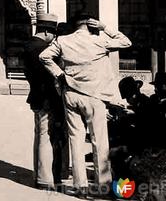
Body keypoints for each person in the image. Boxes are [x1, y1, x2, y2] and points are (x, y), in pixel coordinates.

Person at [40, 15, 131, 195]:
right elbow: (126, 42)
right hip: (95, 95)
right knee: (99, 140)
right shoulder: (99, 40)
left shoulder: (63, 40)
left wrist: (59, 74)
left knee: (76, 139)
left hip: (71, 94)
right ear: (91, 25)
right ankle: (103, 185)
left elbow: (44, 57)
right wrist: (104, 26)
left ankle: (80, 185)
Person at [23, 13, 68, 189]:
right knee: (46, 136)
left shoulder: (28, 45)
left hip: (36, 95)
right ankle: (45, 178)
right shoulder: (43, 48)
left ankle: (39, 174)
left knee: (39, 135)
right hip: (48, 97)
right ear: (48, 32)